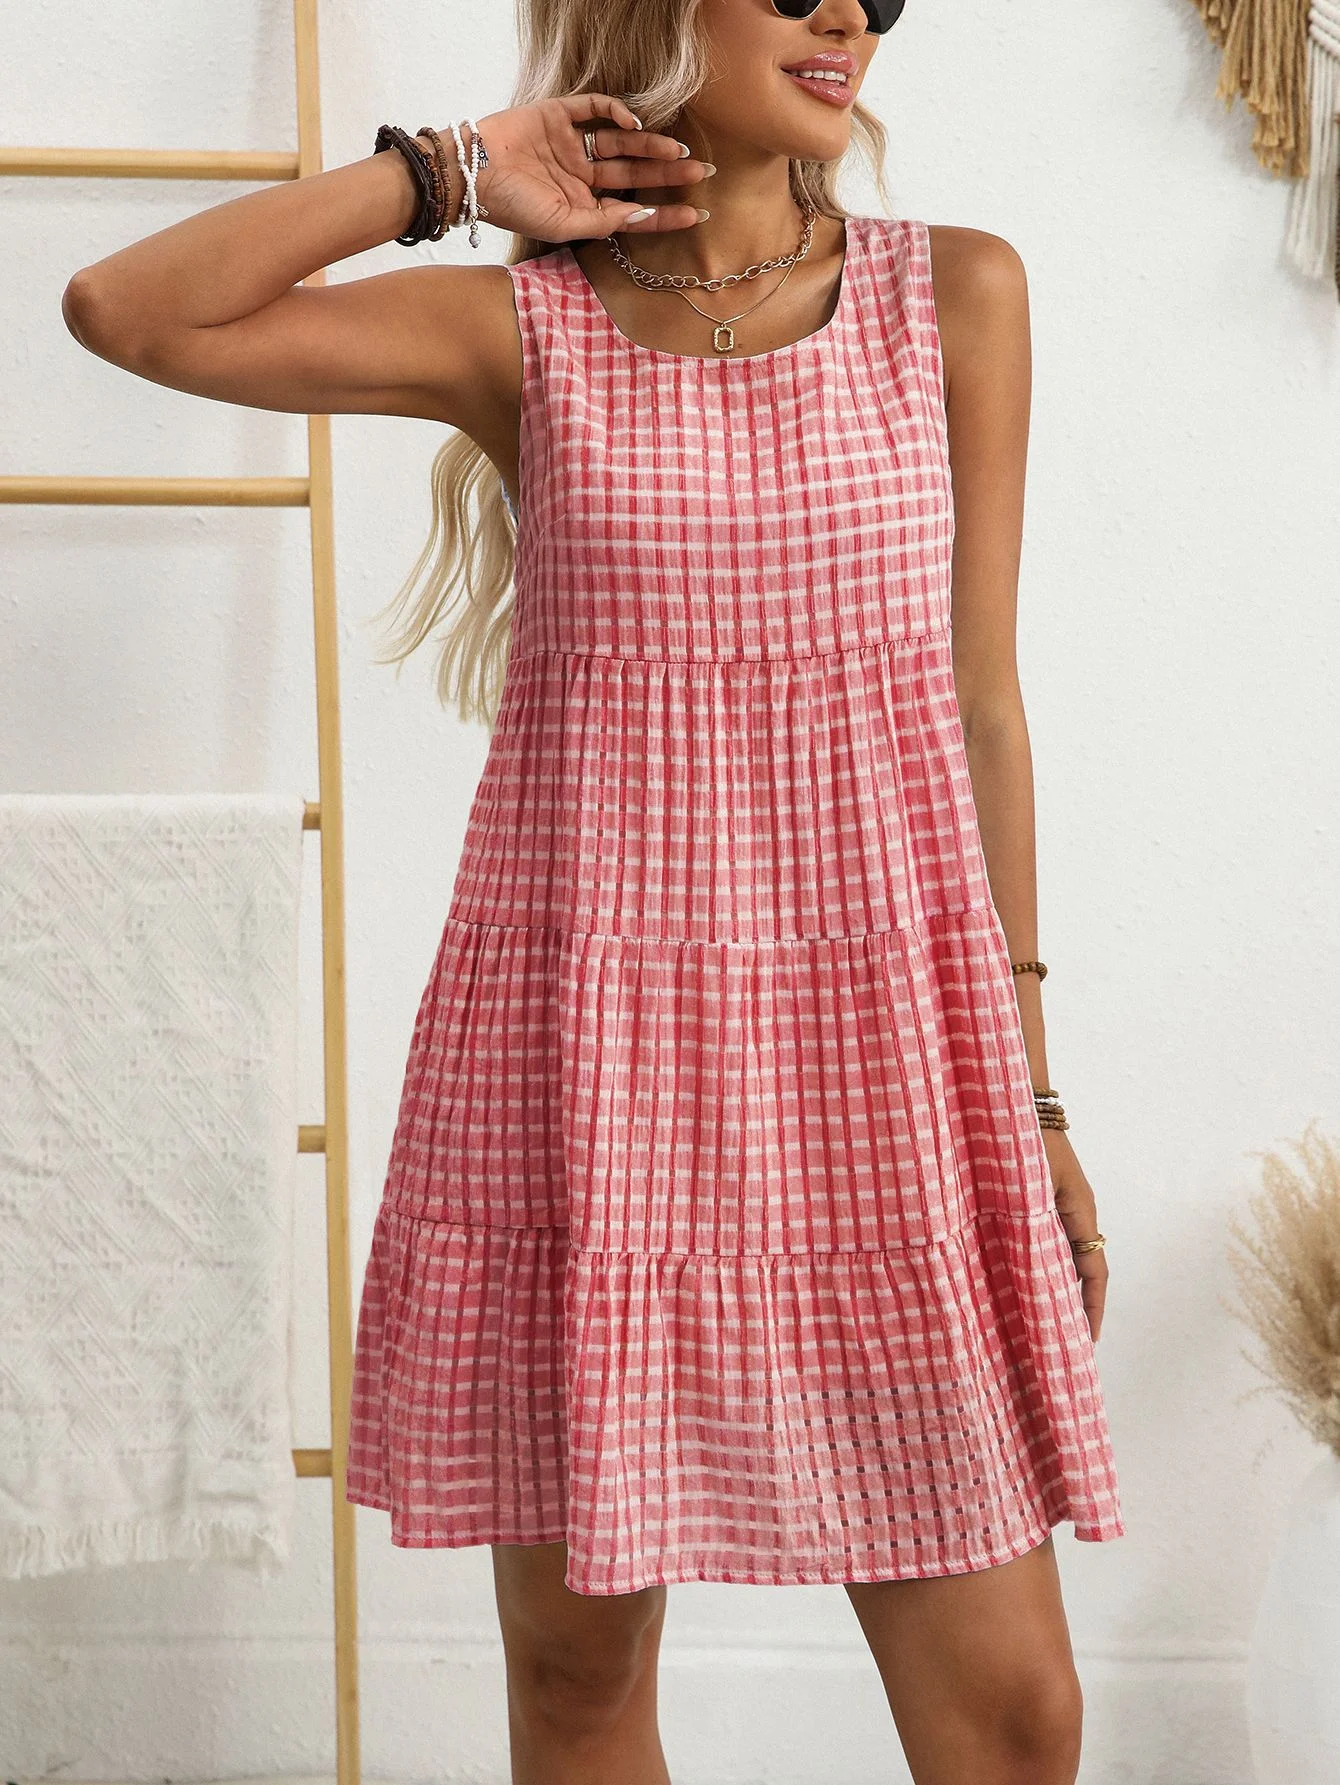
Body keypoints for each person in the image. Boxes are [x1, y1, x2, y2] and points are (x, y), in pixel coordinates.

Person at [61, 1, 1124, 1779]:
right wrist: (453, 173)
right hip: (592, 1057)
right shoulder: (523, 331)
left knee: (1014, 1716)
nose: (848, 15)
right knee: (575, 1682)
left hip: (872, 1051)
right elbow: (127, 308)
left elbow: (983, 708)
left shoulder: (958, 295)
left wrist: (1035, 1093)